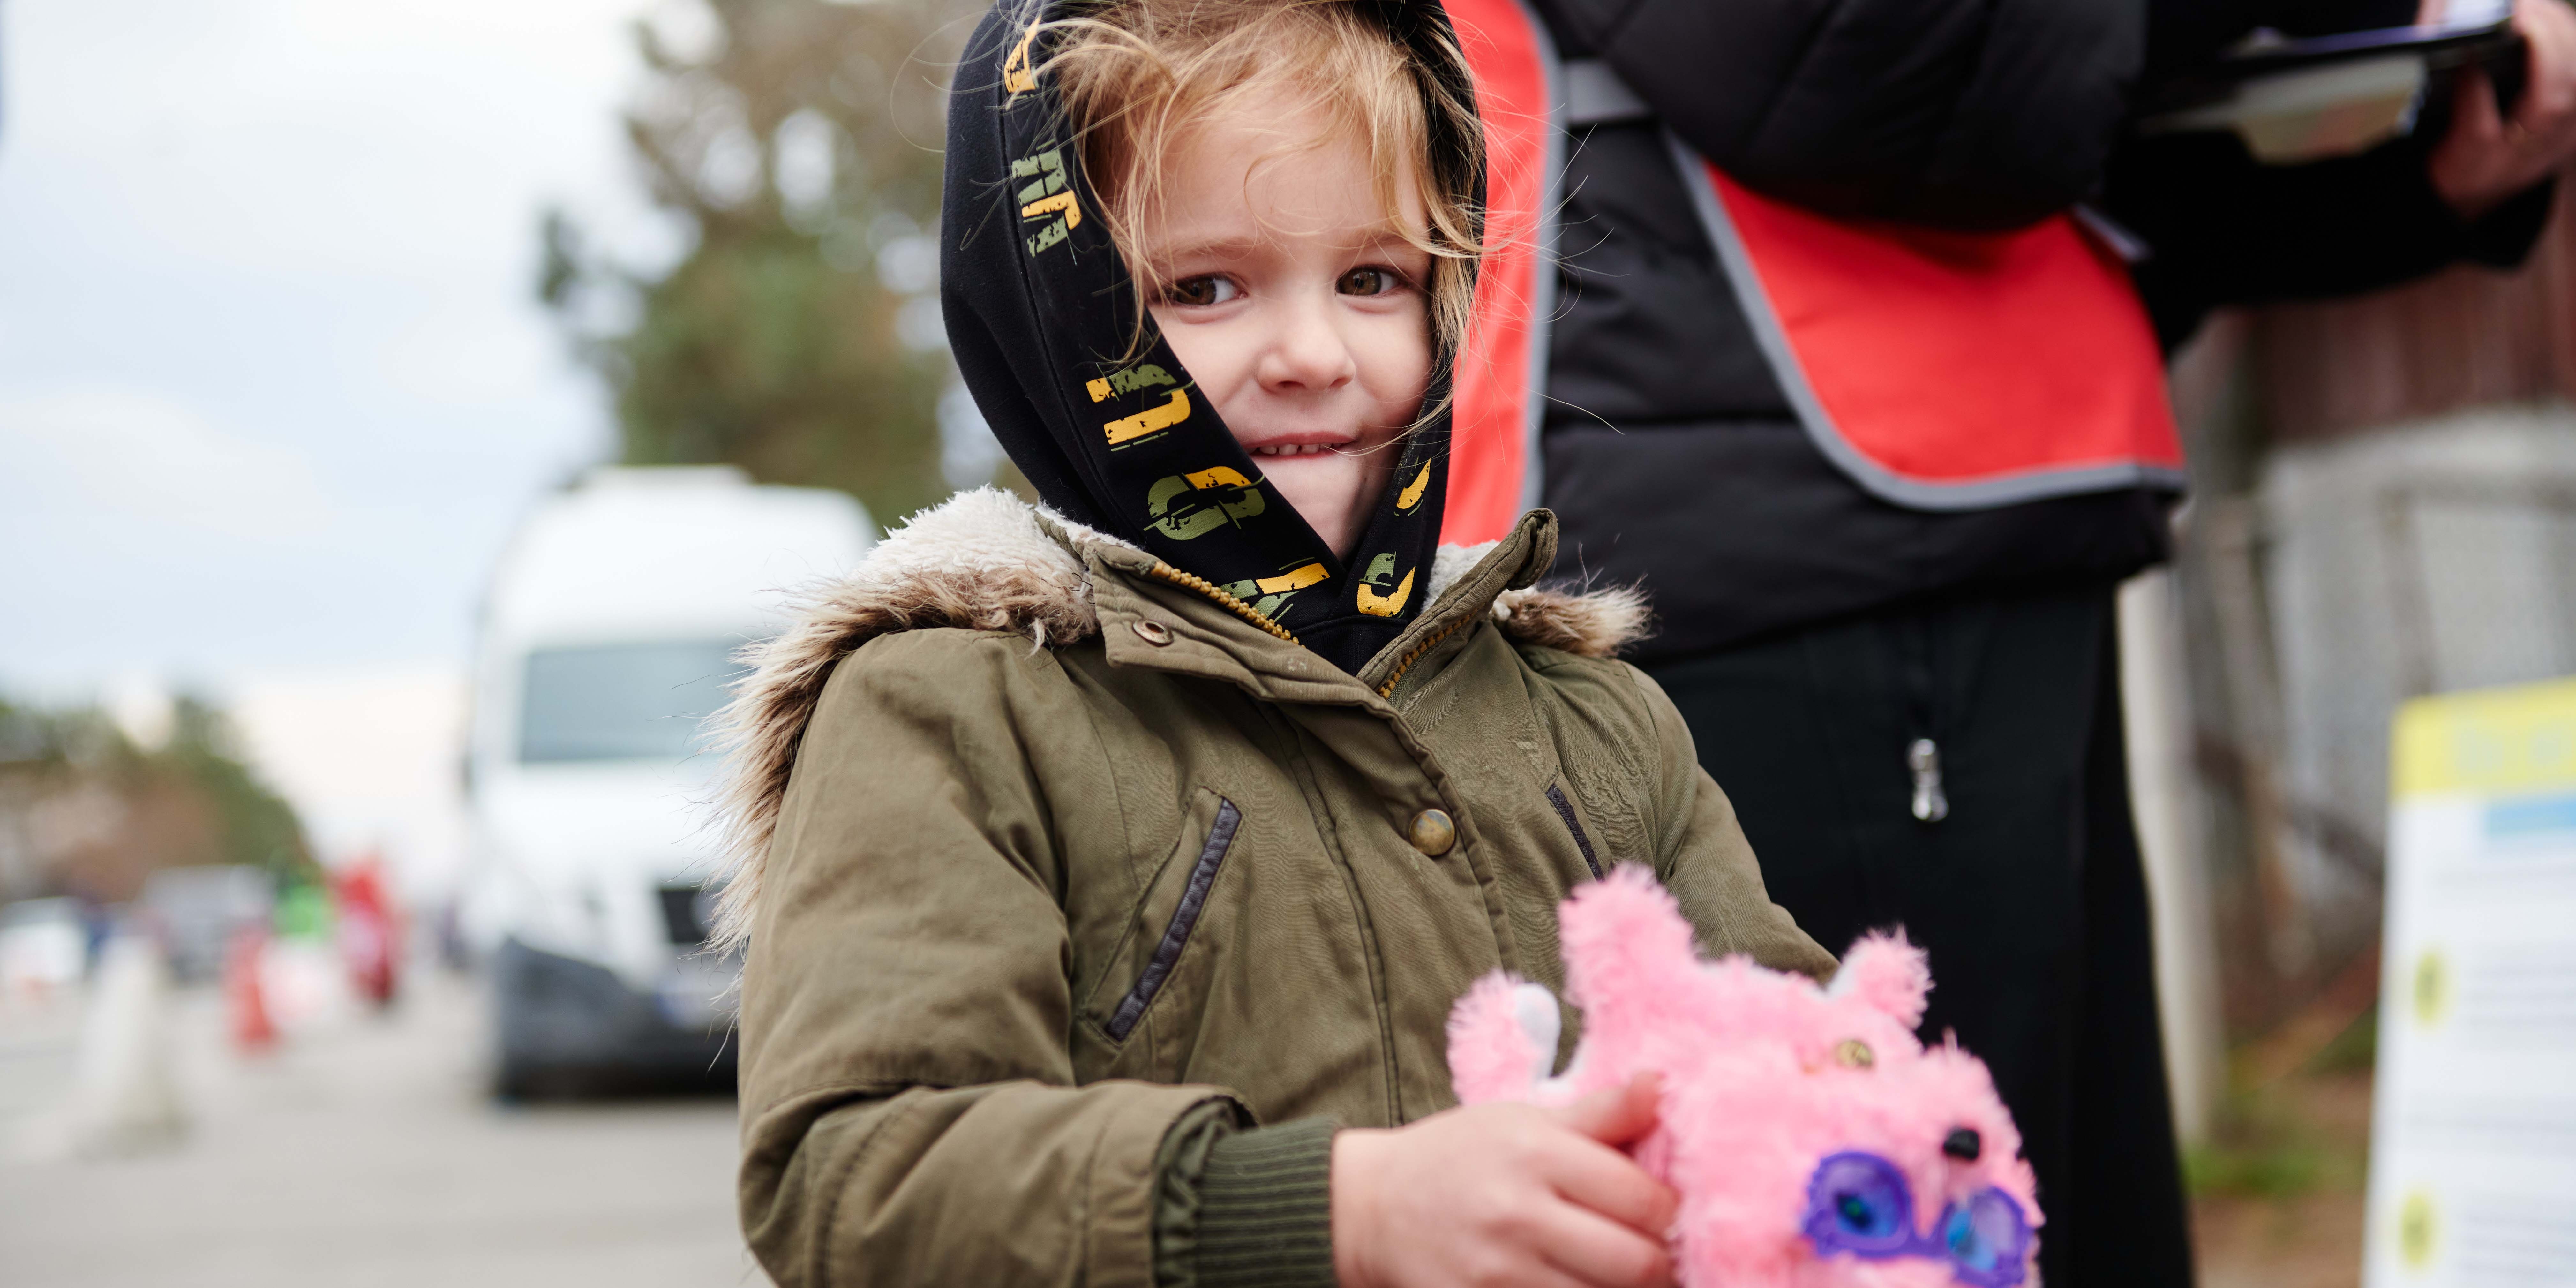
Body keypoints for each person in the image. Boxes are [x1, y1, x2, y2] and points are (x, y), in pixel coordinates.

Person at [1415, 1, 2576, 1284]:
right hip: (1789, 572)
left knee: (2049, 1218)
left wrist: (2423, 176)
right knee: (1905, 1226)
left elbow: (2055, 136)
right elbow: (1879, 51)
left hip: (1930, 516)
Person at [711, 4, 1831, 1287]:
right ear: (1058, 312)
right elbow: (858, 1175)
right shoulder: (948, 705)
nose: (1310, 354)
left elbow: (1783, 1058)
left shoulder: (1589, 712)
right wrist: (1339, 1209)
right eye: (1203, 288)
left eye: (1373, 279)